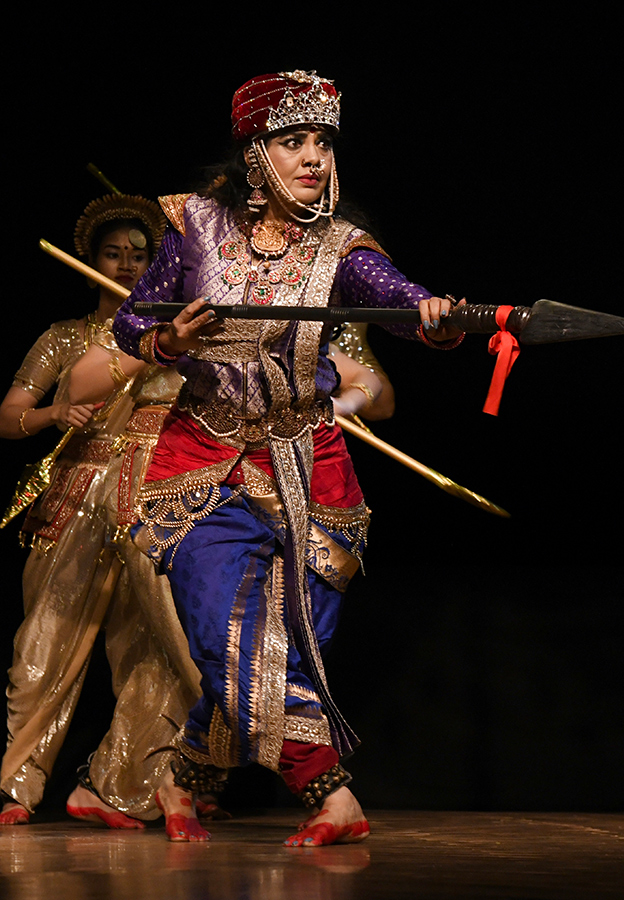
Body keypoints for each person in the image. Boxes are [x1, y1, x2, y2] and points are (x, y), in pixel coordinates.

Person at [112, 71, 464, 845]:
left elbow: (398, 300)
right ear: (254, 154)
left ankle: (184, 776)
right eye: (293, 140)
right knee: (229, 632)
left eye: (323, 141)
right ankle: (332, 794)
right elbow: (133, 319)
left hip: (312, 466)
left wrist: (433, 320)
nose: (313, 156)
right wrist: (167, 342)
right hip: (204, 465)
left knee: (290, 647)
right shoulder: (195, 226)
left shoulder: (341, 248)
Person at [0, 195, 199, 828]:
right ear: (90, 260)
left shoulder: (184, 335)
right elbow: (7, 420)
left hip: (157, 497)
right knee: (46, 639)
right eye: (115, 254)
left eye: (141, 256)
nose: (128, 265)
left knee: (157, 648)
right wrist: (53, 414)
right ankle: (19, 787)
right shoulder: (64, 338)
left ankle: (121, 784)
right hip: (79, 494)